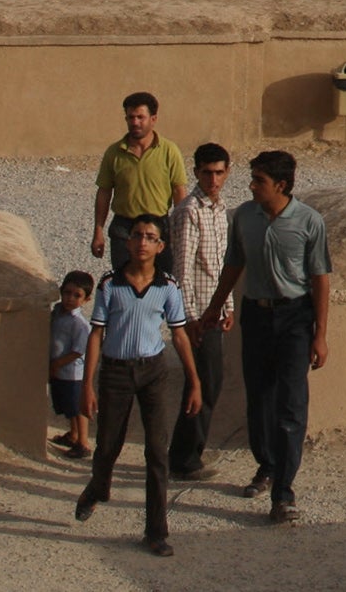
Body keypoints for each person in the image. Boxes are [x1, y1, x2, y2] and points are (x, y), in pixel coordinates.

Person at [197, 149, 330, 525]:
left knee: (291, 404)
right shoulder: (244, 217)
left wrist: (320, 335)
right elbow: (233, 265)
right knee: (259, 400)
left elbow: (320, 279)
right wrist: (215, 306)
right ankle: (266, 464)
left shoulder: (309, 222)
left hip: (294, 319)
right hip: (256, 316)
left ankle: (283, 492)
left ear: (281, 185)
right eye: (253, 179)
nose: (252, 186)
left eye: (259, 181)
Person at [74, 221, 201, 557]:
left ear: (161, 246)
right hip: (116, 371)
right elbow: (97, 334)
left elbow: (178, 334)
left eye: (151, 238)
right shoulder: (109, 285)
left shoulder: (167, 286)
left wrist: (194, 381)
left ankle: (156, 531)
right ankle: (98, 488)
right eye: (137, 236)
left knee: (157, 452)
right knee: (107, 447)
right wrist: (87, 385)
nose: (143, 242)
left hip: (153, 372)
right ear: (128, 243)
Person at [166, 142, 235, 481]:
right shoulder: (188, 211)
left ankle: (187, 452)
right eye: (207, 172)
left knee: (211, 380)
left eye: (219, 172)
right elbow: (181, 270)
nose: (213, 179)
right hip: (197, 314)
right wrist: (188, 318)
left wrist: (229, 304)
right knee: (204, 382)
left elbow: (222, 263)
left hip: (214, 308)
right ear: (195, 173)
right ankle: (184, 458)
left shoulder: (220, 210)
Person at [92, 92, 188, 276]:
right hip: (124, 228)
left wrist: (180, 230)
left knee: (162, 282)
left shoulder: (169, 151)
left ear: (153, 119)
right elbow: (104, 191)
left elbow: (178, 190)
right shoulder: (114, 153)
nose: (135, 122)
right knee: (123, 282)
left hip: (159, 226)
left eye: (140, 117)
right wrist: (98, 230)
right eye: (131, 117)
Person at [50, 271, 95, 457]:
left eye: (77, 295)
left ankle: (83, 442)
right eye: (67, 293)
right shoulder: (58, 313)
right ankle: (73, 435)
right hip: (60, 371)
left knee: (77, 409)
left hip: (73, 373)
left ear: (86, 299)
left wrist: (57, 364)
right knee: (68, 407)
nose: (70, 298)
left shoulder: (80, 324)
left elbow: (78, 351)